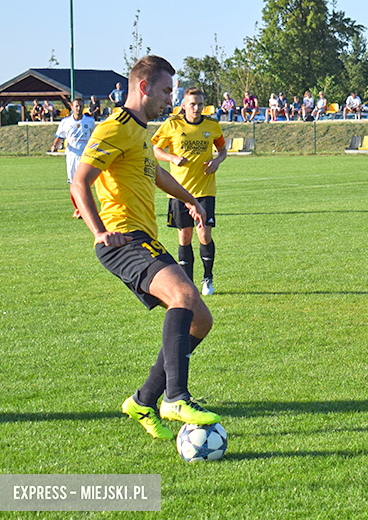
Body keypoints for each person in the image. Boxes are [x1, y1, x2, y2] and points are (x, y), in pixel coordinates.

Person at [71, 55, 221, 441]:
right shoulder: (114, 127)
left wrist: (191, 200)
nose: (169, 99)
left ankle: (143, 400)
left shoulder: (140, 132)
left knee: (200, 320)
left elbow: (157, 175)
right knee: (183, 295)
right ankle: (176, 396)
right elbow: (79, 182)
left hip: (145, 238)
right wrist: (101, 231)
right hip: (122, 239)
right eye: (166, 91)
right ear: (143, 87)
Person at [152, 86, 227, 297]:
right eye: (192, 104)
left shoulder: (212, 125)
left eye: (200, 104)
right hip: (178, 190)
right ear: (183, 105)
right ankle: (188, 284)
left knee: (204, 234)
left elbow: (222, 150)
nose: (197, 108)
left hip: (205, 188)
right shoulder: (172, 124)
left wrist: (217, 161)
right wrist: (172, 158)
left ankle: (208, 278)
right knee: (184, 237)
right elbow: (155, 149)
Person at [50, 97, 96, 218]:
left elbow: (95, 138)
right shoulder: (65, 122)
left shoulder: (90, 121)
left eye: (80, 106)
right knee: (73, 184)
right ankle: (77, 208)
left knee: (85, 183)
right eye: (76, 106)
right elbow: (60, 137)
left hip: (85, 156)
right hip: (71, 156)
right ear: (71, 107)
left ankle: (84, 209)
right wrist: (55, 145)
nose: (78, 108)